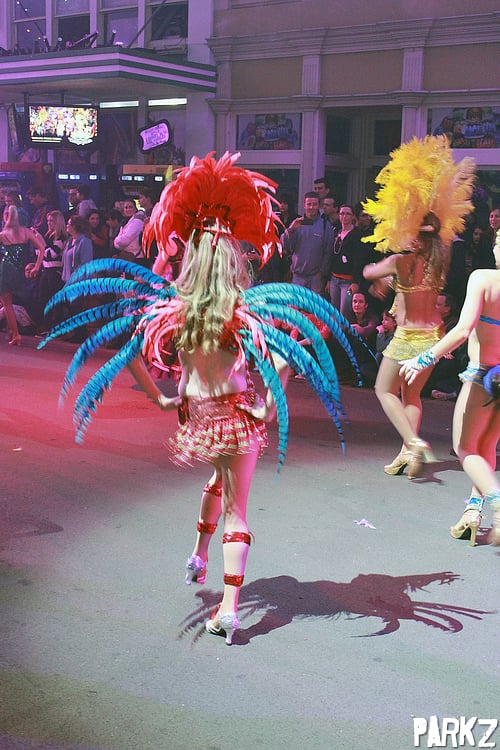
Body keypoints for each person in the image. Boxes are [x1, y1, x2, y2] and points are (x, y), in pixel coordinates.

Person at [42, 152, 361, 645]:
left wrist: (160, 398)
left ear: (190, 258)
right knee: (238, 508)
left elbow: (129, 350)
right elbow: (282, 355)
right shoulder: (243, 310)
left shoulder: (176, 308)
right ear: (233, 259)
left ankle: (197, 555)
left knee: (218, 479)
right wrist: (268, 406)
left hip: (198, 420)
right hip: (238, 416)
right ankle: (229, 610)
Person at [362, 135, 476, 479]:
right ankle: (406, 456)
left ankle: (413, 442)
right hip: (433, 337)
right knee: (411, 395)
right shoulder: (440, 260)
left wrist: (384, 273)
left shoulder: (400, 261)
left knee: (384, 390)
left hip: (407, 338)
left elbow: (368, 272)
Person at [400, 254, 500, 547]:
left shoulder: (483, 278)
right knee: (486, 446)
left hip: (483, 376)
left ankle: (496, 501)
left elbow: (462, 329)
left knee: (465, 447)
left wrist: (423, 359)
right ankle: (473, 512)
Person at [0, 204, 45, 345]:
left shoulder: (3, 235)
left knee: (7, 304)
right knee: (11, 302)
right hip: (18, 271)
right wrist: (36, 266)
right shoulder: (26, 232)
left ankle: (16, 334)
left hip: (5, 271)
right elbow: (42, 247)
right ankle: (11, 331)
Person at [281, 192, 333, 293]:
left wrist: (322, 273)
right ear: (304, 205)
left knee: (313, 304)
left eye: (314, 204)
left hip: (316, 278)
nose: (311, 207)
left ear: (319, 206)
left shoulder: (325, 226)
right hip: (298, 276)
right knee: (297, 303)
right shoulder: (297, 223)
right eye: (309, 204)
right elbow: (286, 247)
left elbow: (328, 252)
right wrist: (290, 229)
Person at [322, 204, 364, 317]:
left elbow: (358, 260)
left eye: (347, 214)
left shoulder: (357, 234)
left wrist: (355, 282)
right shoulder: (336, 232)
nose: (344, 216)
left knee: (344, 312)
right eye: (342, 213)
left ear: (353, 216)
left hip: (348, 281)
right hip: (334, 279)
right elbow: (331, 256)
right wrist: (329, 279)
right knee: (334, 312)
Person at [113, 198, 146, 264]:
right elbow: (118, 244)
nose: (128, 209)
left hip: (136, 258)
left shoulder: (137, 221)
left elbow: (124, 241)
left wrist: (116, 241)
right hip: (130, 256)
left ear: (135, 208)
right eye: (126, 208)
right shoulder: (125, 221)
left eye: (130, 207)